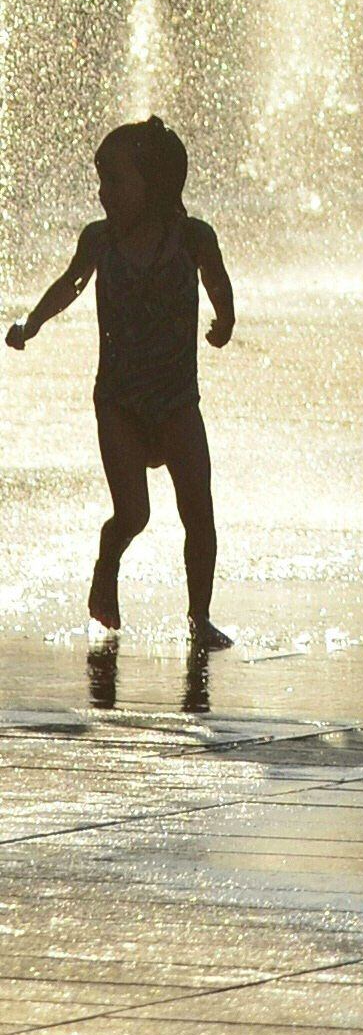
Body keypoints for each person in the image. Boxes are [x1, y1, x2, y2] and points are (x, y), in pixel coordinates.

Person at [7, 118, 237, 650]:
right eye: (101, 180)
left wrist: (226, 319)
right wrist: (32, 323)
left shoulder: (192, 237)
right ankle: (105, 569)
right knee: (133, 512)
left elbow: (217, 279)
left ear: (155, 185)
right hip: (119, 404)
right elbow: (69, 284)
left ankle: (199, 618)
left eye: (114, 180)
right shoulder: (100, 240)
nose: (103, 191)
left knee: (198, 513)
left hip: (178, 402)